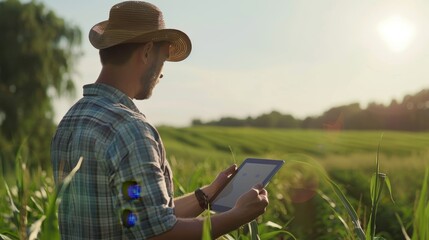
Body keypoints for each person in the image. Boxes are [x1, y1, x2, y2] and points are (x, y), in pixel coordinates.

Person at [51, 1, 269, 239]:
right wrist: (237, 215)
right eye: (163, 59)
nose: (161, 73)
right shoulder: (131, 130)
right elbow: (160, 235)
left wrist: (207, 194)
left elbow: (142, 219)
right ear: (146, 52)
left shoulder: (70, 121)